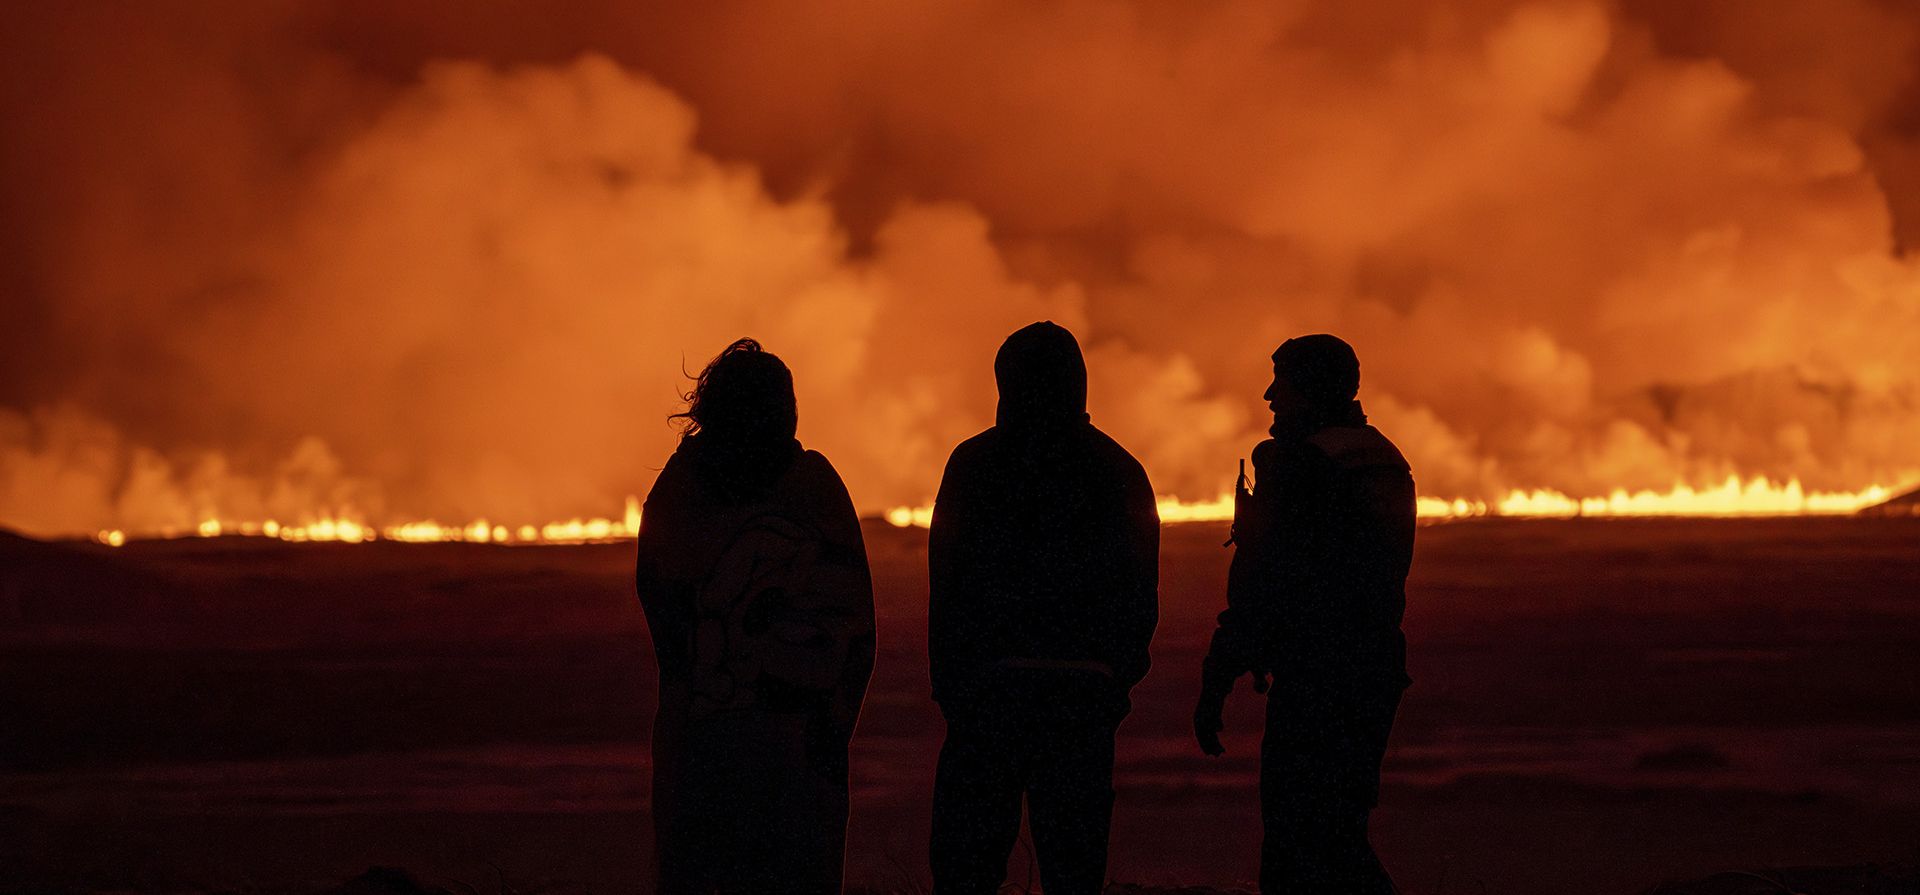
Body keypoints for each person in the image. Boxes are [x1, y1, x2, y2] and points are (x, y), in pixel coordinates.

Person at [634, 338, 876, 895]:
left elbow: (665, 621)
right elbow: (855, 628)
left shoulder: (678, 493)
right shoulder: (814, 489)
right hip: (791, 750)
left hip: (706, 745)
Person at [927, 321, 1160, 895]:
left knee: (966, 868)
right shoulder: (1119, 470)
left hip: (988, 697)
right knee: (1073, 870)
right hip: (1081, 699)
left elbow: (947, 584)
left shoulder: (974, 464)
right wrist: (1113, 680)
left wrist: (953, 689)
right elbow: (1141, 593)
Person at [1193, 334, 1415, 894]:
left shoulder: (1300, 463)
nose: (1270, 396)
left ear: (1309, 388)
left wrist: (1217, 678)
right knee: (1342, 828)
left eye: (1281, 381)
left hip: (1319, 676)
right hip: (1374, 669)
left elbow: (1265, 580)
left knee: (1298, 839)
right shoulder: (1382, 456)